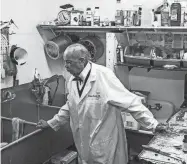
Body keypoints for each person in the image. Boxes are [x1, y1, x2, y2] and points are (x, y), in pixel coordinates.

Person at [37, 43, 165, 164]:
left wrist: (154, 125)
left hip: (105, 145)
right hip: (83, 144)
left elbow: (130, 102)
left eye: (69, 62)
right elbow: (70, 106)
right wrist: (51, 123)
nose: (66, 66)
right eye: (65, 62)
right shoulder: (72, 80)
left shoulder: (103, 76)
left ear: (82, 60)